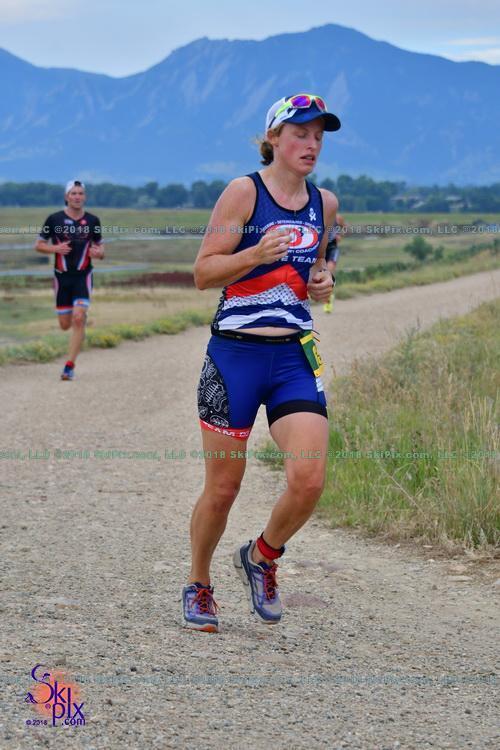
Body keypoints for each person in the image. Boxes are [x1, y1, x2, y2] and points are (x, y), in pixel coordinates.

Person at [182, 93, 341, 633]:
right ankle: (199, 583)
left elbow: (318, 269)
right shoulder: (244, 192)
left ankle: (261, 557)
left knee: (309, 479)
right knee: (223, 489)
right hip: (235, 356)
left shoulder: (325, 203)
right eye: (300, 133)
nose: (311, 144)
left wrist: (323, 282)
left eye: (318, 136)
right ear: (273, 138)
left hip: (294, 356)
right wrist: (254, 254)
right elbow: (203, 273)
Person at [35, 180, 104, 380]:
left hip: (83, 276)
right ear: (67, 197)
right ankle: (79, 330)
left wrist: (99, 253)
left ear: (85, 197)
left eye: (80, 193)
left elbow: (101, 248)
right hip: (62, 278)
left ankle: (69, 366)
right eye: (73, 193)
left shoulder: (93, 221)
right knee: (65, 325)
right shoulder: (54, 219)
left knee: (78, 317)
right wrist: (54, 248)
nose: (77, 196)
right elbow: (39, 245)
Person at [323, 212, 346, 313]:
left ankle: (328, 300)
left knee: (329, 273)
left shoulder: (338, 218)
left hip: (332, 248)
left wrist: (340, 235)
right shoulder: (316, 214)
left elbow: (344, 228)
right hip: (319, 249)